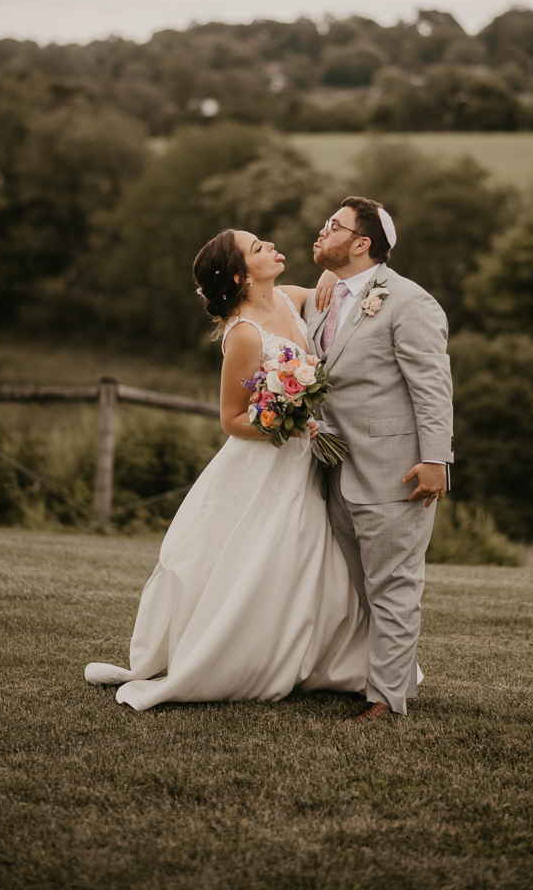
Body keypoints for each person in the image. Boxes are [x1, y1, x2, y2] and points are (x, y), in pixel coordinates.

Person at [84, 229, 369, 710]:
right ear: (239, 276)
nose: (271, 247)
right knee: (262, 557)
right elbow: (233, 419)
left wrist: (330, 272)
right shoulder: (243, 334)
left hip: (303, 464)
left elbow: (328, 293)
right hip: (266, 463)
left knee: (312, 557)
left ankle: (324, 656)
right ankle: (244, 656)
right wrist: (291, 423)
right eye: (258, 248)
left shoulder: (286, 297)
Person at [306, 196, 454, 721]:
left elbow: (432, 387)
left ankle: (387, 702)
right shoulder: (322, 298)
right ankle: (383, 679)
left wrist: (437, 459)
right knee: (365, 590)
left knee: (394, 586)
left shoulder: (409, 302)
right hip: (335, 470)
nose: (321, 230)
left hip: (396, 471)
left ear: (361, 243)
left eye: (334, 226)